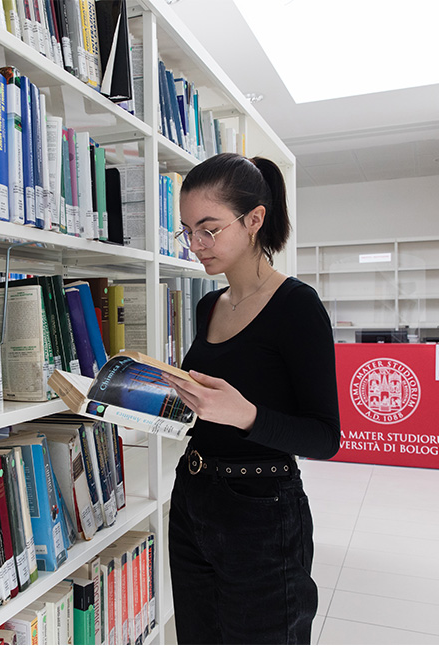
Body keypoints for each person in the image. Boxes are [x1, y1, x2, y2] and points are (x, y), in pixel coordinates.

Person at [162, 152, 341, 644]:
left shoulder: (297, 307)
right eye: (187, 231)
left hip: (262, 511)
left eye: (209, 229)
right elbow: (206, 411)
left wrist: (247, 416)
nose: (196, 245)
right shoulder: (206, 306)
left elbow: (326, 437)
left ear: (255, 219)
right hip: (193, 497)